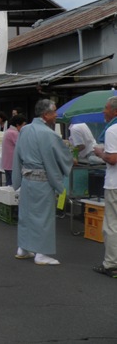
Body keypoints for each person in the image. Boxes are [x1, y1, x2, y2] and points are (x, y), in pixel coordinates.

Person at [12, 99, 72, 265]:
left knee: (26, 215)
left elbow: (17, 154)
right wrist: (70, 158)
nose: (56, 115)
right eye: (54, 112)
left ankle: (23, 248)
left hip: (26, 179)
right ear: (46, 115)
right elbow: (62, 156)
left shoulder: (25, 130)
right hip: (43, 181)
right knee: (43, 217)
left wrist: (16, 179)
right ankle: (41, 254)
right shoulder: (49, 134)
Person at [92, 96, 117, 277]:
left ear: (115, 111)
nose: (103, 111)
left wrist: (100, 152)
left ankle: (111, 264)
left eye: (106, 108)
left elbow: (113, 159)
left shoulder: (112, 130)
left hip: (114, 184)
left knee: (112, 224)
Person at [1, 114, 26, 187]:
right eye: (23, 125)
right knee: (13, 186)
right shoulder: (14, 133)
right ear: (18, 125)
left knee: (9, 184)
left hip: (8, 163)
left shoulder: (9, 131)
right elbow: (23, 146)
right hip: (12, 164)